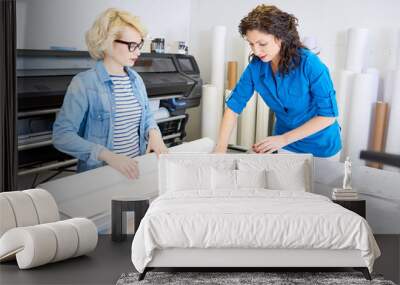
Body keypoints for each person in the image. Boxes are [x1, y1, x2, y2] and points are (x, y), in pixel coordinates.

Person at [53, 8, 168, 179]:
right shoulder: (84, 83)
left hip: (135, 171)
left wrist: (155, 133)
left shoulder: (136, 79)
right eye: (132, 46)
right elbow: (62, 135)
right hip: (100, 177)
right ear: (108, 42)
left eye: (139, 44)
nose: (138, 52)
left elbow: (146, 118)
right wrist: (108, 156)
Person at [214, 5, 341, 157]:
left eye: (262, 44)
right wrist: (220, 149)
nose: (255, 51)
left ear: (280, 37)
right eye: (251, 44)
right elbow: (233, 107)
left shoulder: (310, 64)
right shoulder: (256, 67)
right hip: (285, 143)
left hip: (321, 145)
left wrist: (283, 139)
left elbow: (328, 116)